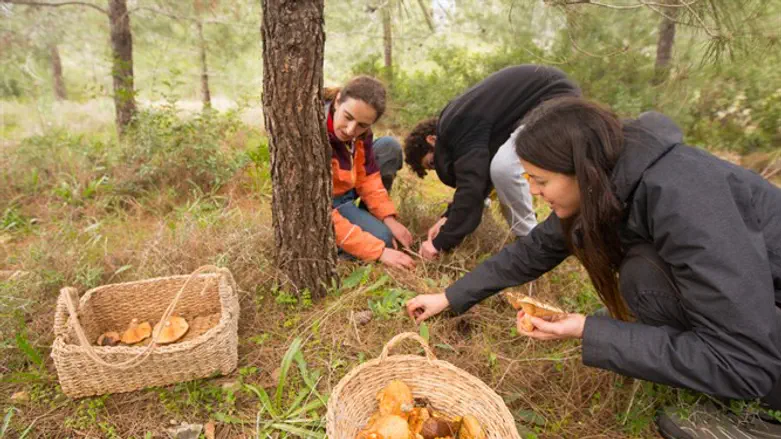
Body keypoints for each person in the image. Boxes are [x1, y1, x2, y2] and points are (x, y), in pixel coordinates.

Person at [406, 97, 781, 437]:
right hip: (758, 322)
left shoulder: (688, 199)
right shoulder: (616, 175)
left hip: (758, 352)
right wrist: (450, 297)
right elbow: (536, 248)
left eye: (540, 180)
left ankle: (758, 423)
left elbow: (744, 361)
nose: (534, 192)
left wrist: (591, 330)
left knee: (642, 280)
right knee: (641, 285)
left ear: (579, 170)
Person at [402, 64, 580, 260]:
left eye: (433, 163)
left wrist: (440, 243)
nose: (442, 170)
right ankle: (531, 240)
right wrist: (447, 218)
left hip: (556, 100)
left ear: (432, 140)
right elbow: (479, 178)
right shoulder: (462, 124)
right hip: (546, 103)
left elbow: (473, 188)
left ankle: (532, 243)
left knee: (505, 168)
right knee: (499, 167)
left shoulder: (456, 125)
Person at [325, 76, 415, 270]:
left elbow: (368, 178)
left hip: (347, 190)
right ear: (338, 100)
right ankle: (337, 249)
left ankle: (368, 223)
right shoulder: (314, 133)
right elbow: (320, 212)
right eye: (348, 117)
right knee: (383, 241)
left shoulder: (362, 132)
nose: (351, 130)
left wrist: (387, 218)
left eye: (362, 125)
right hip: (327, 203)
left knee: (389, 146)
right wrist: (378, 251)